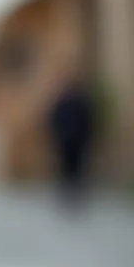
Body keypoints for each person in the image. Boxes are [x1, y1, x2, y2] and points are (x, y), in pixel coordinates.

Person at [48, 69, 96, 210]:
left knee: (77, 169)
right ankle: (67, 197)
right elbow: (53, 119)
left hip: (77, 141)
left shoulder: (81, 101)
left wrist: (87, 138)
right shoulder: (62, 101)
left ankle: (76, 198)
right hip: (65, 140)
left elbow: (89, 121)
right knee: (66, 169)